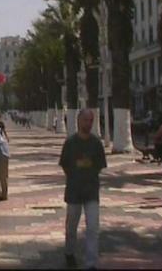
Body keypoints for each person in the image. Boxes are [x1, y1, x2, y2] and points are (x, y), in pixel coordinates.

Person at [59, 108, 107, 269]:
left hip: (92, 192)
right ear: (78, 121)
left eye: (90, 121)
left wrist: (88, 173)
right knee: (71, 225)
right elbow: (64, 164)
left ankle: (91, 262)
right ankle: (69, 252)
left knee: (93, 227)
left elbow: (100, 164)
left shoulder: (96, 143)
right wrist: (75, 176)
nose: (88, 123)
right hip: (74, 192)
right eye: (85, 120)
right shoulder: (70, 142)